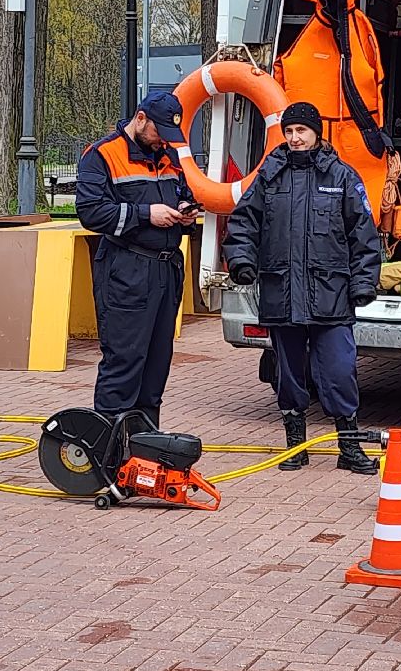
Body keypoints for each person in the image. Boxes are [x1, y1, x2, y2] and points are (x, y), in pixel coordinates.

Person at [223, 102, 382, 473]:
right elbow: (243, 222)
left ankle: (350, 447)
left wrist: (362, 283)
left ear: (316, 134)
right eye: (289, 131)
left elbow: (364, 235)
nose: (294, 138)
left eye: (302, 131)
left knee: (340, 371)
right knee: (289, 375)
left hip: (331, 295)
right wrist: (242, 262)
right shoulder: (269, 176)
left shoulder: (342, 176)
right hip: (282, 293)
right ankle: (295, 445)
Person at [76, 91, 198, 427]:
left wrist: (185, 212)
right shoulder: (102, 155)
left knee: (157, 364)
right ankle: (111, 452)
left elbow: (183, 193)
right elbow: (91, 212)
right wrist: (146, 215)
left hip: (166, 268)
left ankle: (145, 447)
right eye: (159, 131)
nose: (163, 141)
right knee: (125, 361)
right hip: (127, 269)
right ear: (140, 118)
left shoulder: (169, 155)